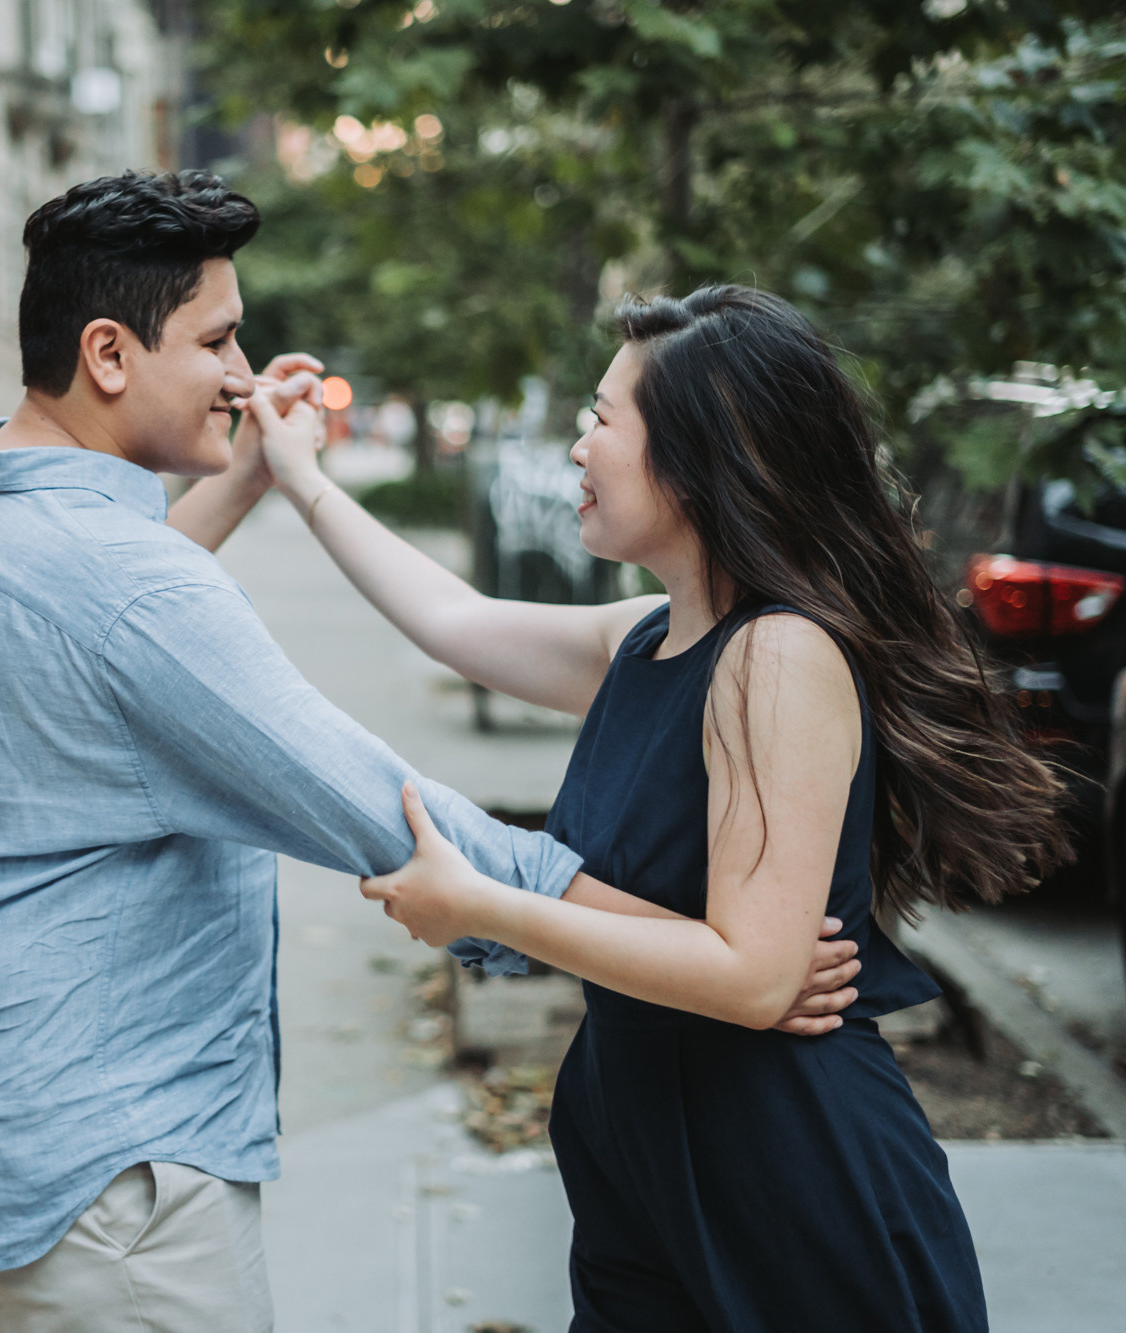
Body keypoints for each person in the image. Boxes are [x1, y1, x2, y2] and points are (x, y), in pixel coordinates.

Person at [0, 176, 861, 1333]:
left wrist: (264, 471)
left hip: (22, 1105)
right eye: (216, 339)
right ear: (107, 353)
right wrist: (713, 956)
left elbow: (132, 611)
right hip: (112, 1148)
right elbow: (380, 805)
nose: (245, 372)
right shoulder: (125, 586)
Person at [250, 284, 1070, 1331]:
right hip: (637, 1142)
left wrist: (488, 907)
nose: (576, 449)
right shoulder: (645, 637)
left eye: (600, 419)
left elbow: (755, 976)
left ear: (697, 454)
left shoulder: (777, 654)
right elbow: (447, 617)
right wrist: (299, 474)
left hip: (783, 1162)